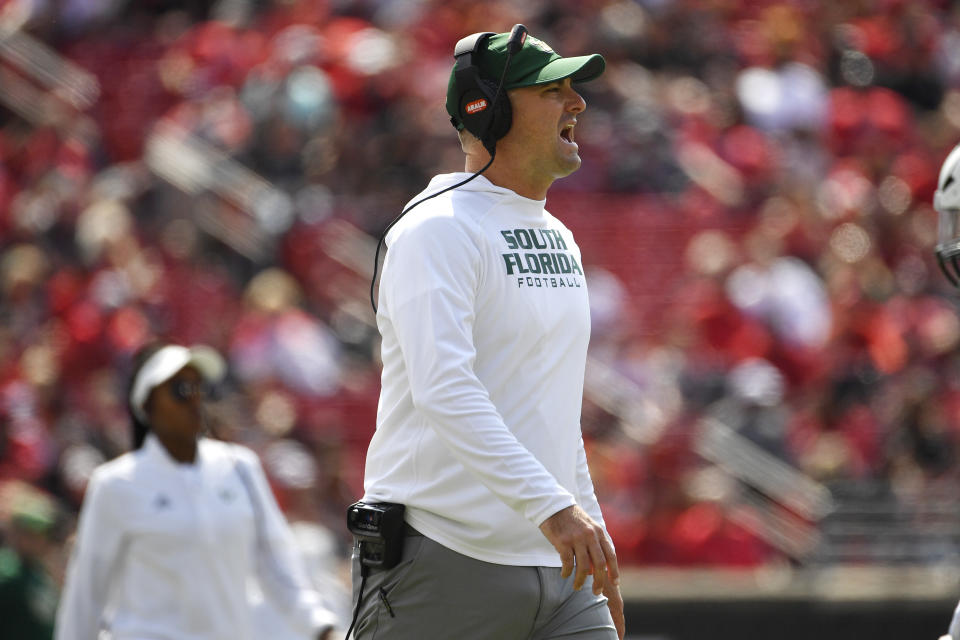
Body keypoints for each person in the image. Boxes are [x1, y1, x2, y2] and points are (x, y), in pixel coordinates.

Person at [353, 27, 624, 640]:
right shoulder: (437, 229)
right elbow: (444, 388)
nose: (577, 103)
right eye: (553, 90)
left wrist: (593, 530)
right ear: (490, 110)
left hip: (559, 569)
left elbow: (555, 414)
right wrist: (556, 509)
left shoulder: (561, 237)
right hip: (444, 560)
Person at [54, 342, 339, 640]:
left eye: (198, 388)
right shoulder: (115, 484)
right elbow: (85, 597)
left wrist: (321, 628)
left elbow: (278, 569)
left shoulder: (240, 468)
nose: (195, 400)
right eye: (180, 390)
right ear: (147, 405)